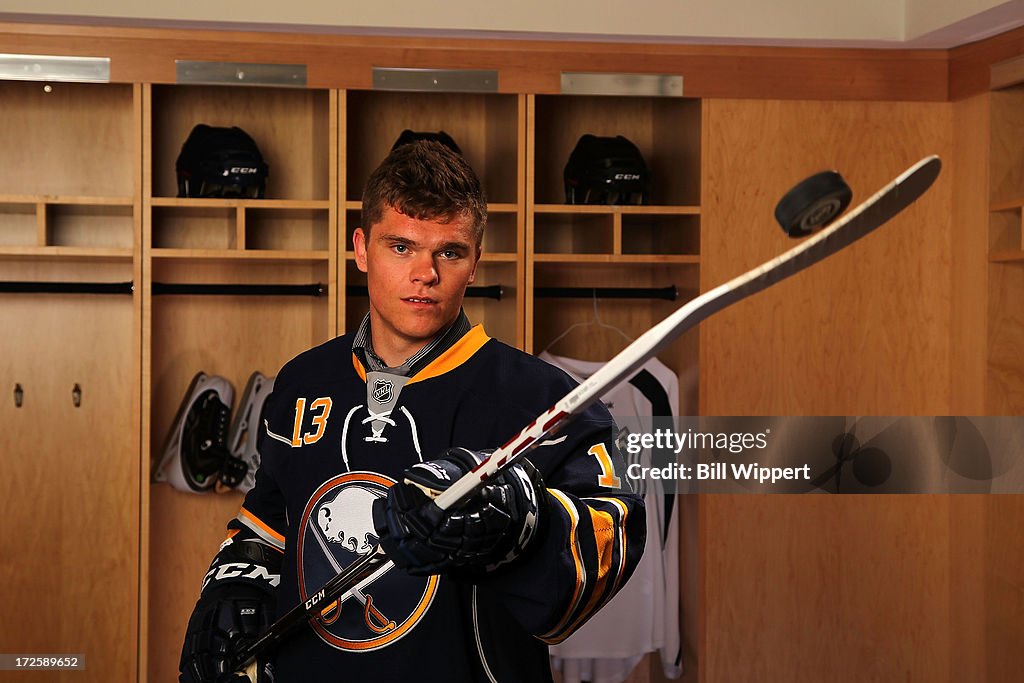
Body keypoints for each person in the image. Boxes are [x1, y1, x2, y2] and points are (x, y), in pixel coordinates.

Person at [178, 139, 647, 682]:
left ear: (475, 262)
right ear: (360, 248)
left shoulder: (544, 400)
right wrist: (233, 585)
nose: (425, 272)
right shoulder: (301, 382)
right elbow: (269, 520)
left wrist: (519, 521)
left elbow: (604, 558)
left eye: (448, 251)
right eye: (400, 247)